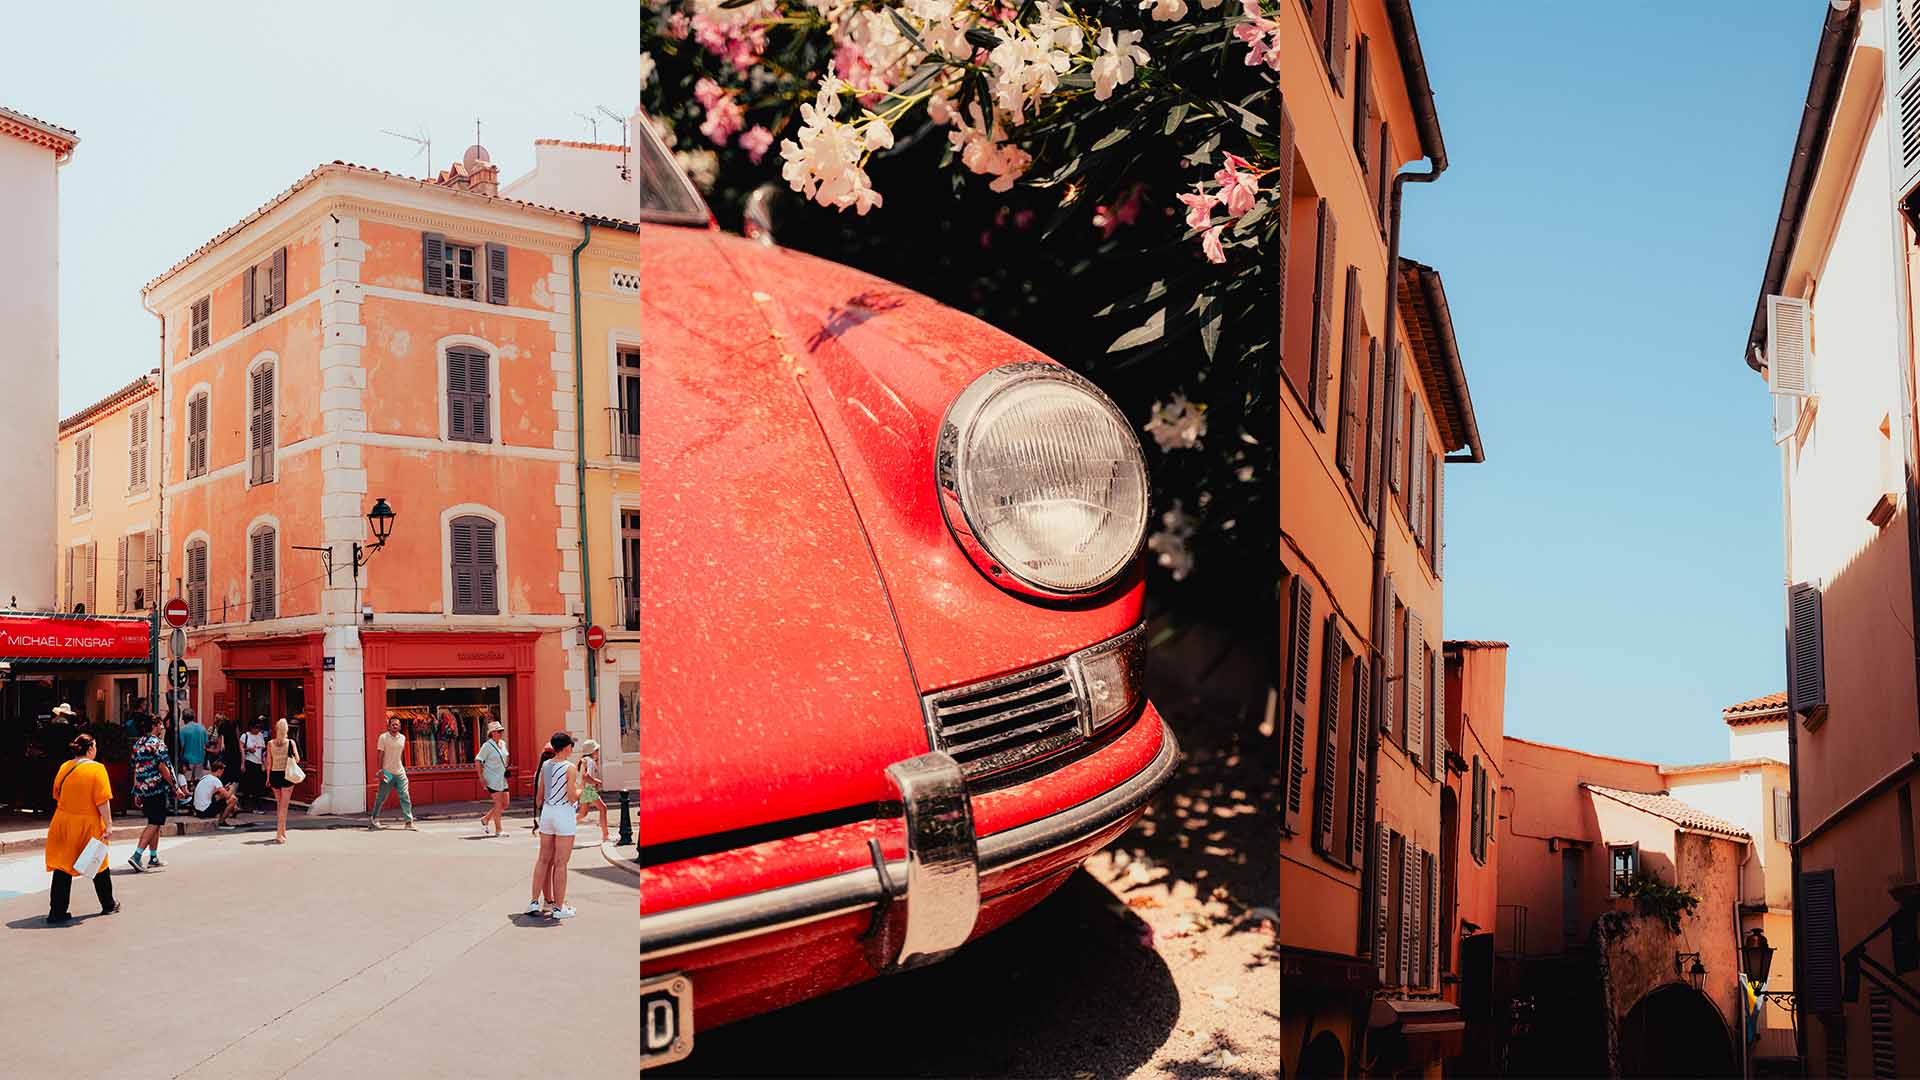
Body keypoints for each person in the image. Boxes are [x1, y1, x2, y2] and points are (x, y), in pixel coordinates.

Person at [45, 733, 120, 923]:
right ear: (91, 749)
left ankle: (57, 912)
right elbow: (102, 800)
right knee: (98, 863)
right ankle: (108, 904)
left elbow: (56, 793)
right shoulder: (98, 769)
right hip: (88, 822)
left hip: (62, 821)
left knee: (62, 866)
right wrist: (109, 824)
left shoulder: (65, 766)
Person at [526, 732, 581, 919]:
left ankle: (534, 901)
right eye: (571, 746)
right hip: (563, 813)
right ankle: (558, 908)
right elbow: (572, 796)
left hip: (547, 813)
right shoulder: (570, 768)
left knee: (543, 859)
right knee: (560, 863)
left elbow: (539, 798)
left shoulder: (545, 766)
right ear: (566, 748)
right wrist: (583, 790)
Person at [127, 715, 182, 872]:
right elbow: (164, 768)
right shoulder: (158, 744)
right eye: (160, 724)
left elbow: (136, 768)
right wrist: (175, 787)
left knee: (154, 821)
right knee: (155, 822)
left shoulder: (138, 744)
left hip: (143, 788)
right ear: (155, 725)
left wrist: (137, 790)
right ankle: (137, 856)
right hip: (156, 788)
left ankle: (153, 856)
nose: (163, 727)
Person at [369, 715, 416, 830]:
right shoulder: (383, 737)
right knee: (381, 797)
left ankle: (408, 822)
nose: (395, 726)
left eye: (397, 724)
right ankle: (374, 818)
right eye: (393, 724)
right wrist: (380, 771)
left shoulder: (403, 738)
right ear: (389, 726)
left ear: (400, 726)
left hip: (400, 772)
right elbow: (380, 755)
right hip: (387, 773)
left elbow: (400, 755)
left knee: (405, 796)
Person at [266, 719, 300, 844]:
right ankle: (279, 834)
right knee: (284, 807)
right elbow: (297, 759)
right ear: (286, 730)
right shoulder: (291, 742)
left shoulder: (270, 743)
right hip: (286, 775)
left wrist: (268, 778)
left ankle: (282, 831)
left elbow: (269, 762)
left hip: (274, 774)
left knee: (279, 804)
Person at [474, 719, 510, 837]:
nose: (501, 733)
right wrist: (481, 777)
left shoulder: (503, 744)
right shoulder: (487, 746)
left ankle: (486, 818)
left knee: (505, 803)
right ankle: (499, 830)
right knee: (498, 803)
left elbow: (506, 757)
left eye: (501, 731)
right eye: (498, 731)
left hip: (502, 777)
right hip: (492, 777)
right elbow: (478, 760)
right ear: (492, 733)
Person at [574, 739, 608, 843]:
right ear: (592, 751)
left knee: (583, 814)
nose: (598, 752)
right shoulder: (589, 761)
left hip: (585, 790)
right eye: (597, 750)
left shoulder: (584, 760)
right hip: (588, 790)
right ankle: (606, 836)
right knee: (603, 808)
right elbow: (586, 776)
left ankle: (564, 826)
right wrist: (596, 781)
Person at [192, 759, 241, 828]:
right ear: (219, 770)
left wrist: (224, 788)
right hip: (205, 811)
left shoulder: (205, 777)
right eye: (222, 771)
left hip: (197, 811)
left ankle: (221, 818)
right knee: (233, 799)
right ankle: (222, 822)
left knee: (222, 796)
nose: (222, 773)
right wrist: (232, 787)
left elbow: (214, 793)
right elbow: (227, 796)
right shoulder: (216, 780)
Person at [241, 718, 268, 812]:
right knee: (248, 784)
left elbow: (263, 750)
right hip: (249, 761)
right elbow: (241, 750)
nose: (258, 730)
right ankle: (247, 805)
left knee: (259, 785)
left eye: (259, 728)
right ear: (251, 728)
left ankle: (258, 805)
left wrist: (264, 763)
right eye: (256, 728)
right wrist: (248, 750)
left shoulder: (260, 735)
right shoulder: (245, 736)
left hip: (258, 762)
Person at [179, 711, 208, 784]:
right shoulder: (202, 728)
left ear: (185, 719)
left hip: (188, 760)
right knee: (198, 781)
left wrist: (180, 760)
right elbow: (206, 743)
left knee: (187, 782)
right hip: (200, 758)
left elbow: (182, 746)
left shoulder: (183, 730)